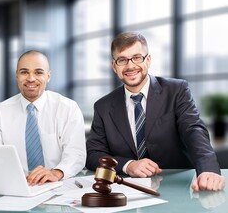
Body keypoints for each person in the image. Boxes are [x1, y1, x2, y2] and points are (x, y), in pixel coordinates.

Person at [86, 32, 225, 192]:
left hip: (176, 188)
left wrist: (208, 169)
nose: (130, 66)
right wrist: (128, 165)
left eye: (137, 57)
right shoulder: (103, 106)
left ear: (148, 60)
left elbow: (193, 130)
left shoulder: (176, 90)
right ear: (114, 66)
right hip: (128, 192)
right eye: (122, 60)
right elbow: (93, 155)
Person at [0, 50, 86, 185]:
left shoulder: (68, 108)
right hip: (13, 186)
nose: (31, 78)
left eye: (38, 72)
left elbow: (76, 154)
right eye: (24, 72)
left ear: (48, 76)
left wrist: (56, 172)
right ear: (17, 75)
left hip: (57, 185)